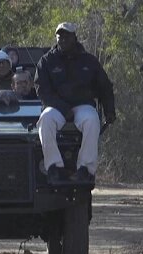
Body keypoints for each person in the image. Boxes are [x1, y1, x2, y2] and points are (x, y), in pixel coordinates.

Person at [35, 22, 115, 183]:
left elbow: (105, 86)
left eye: (67, 36)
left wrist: (109, 110)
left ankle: (85, 169)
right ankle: (53, 167)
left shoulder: (89, 61)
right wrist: (63, 108)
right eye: (60, 36)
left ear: (75, 38)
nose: (63, 39)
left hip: (83, 105)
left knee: (92, 120)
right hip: (56, 106)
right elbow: (42, 90)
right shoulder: (46, 61)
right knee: (45, 120)